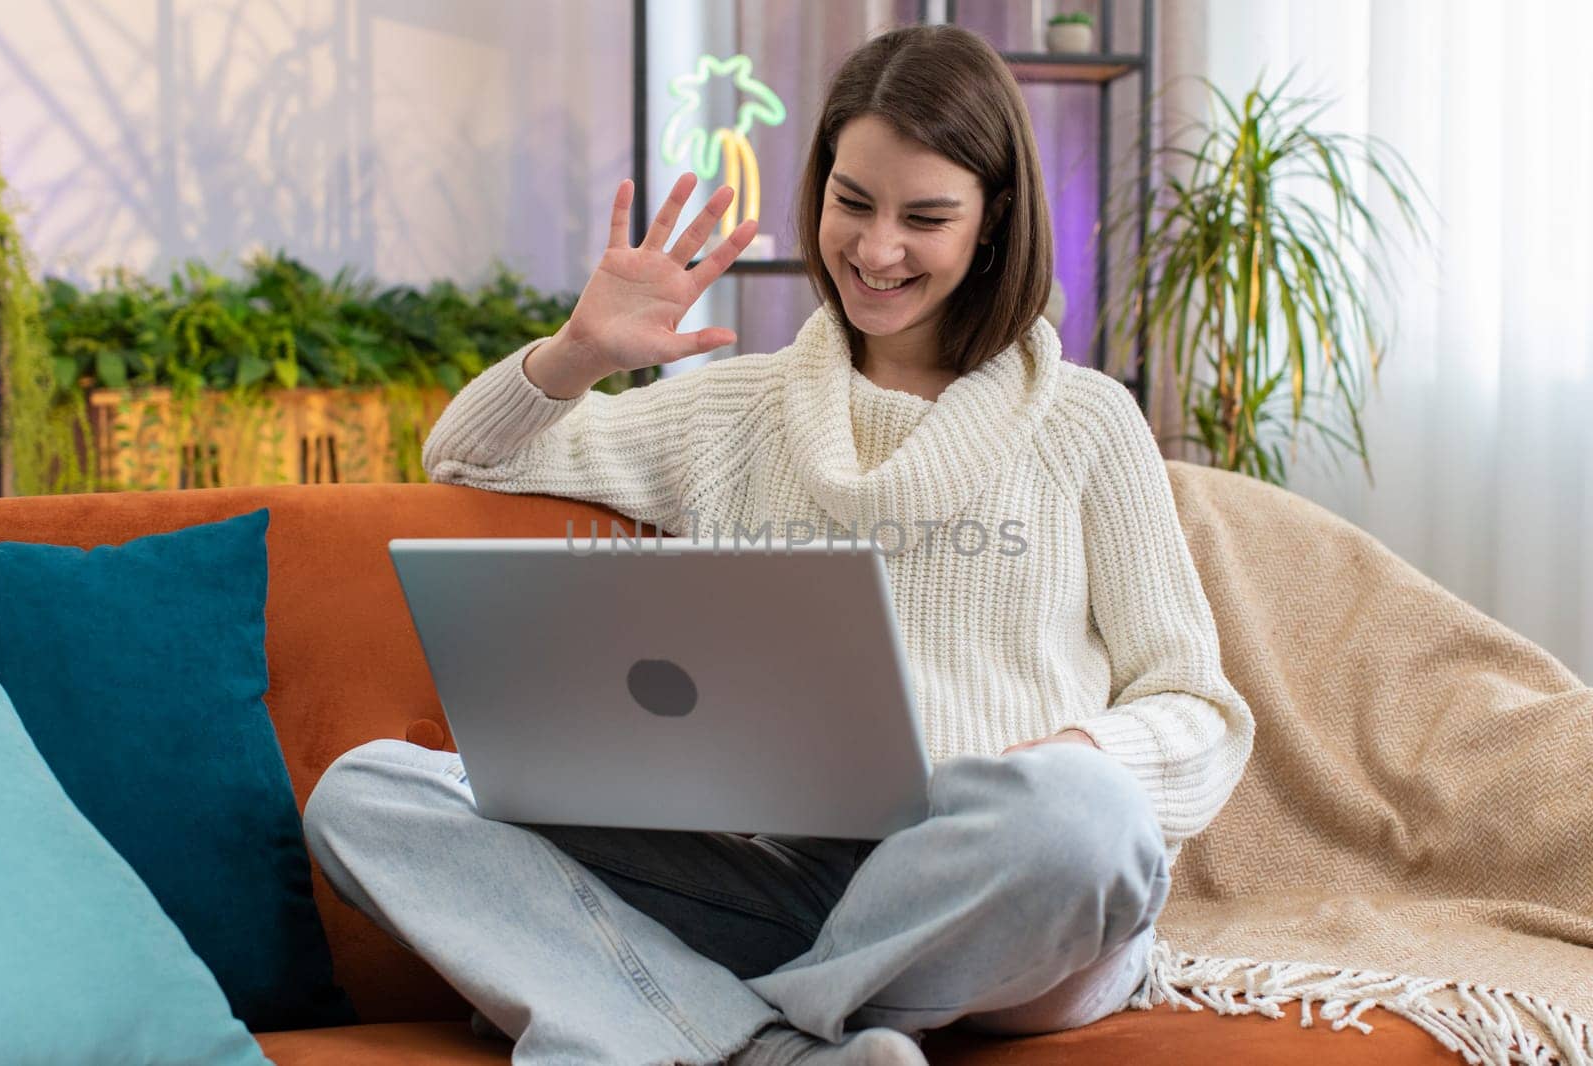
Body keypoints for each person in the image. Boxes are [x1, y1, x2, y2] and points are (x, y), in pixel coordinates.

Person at [303, 24, 1254, 1066]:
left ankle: (667, 1015)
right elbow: (466, 458)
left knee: (1086, 818)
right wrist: (578, 354)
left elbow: (1198, 709)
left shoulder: (1082, 420)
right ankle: (778, 1048)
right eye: (852, 203)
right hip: (781, 879)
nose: (875, 249)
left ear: (991, 225)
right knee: (366, 792)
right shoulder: (737, 411)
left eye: (925, 217)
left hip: (1002, 894)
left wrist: (1079, 754)